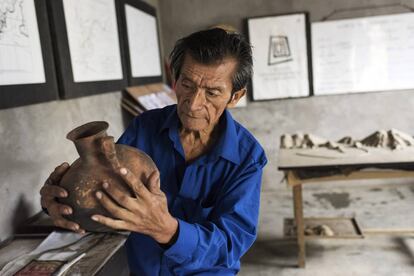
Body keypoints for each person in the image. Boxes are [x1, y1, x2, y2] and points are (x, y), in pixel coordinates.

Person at [40, 28, 267, 275]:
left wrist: (167, 230)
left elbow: (231, 244)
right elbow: (105, 193)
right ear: (175, 79)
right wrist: (60, 203)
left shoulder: (248, 157)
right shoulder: (144, 128)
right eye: (187, 85)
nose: (193, 104)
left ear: (235, 96)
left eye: (212, 93)